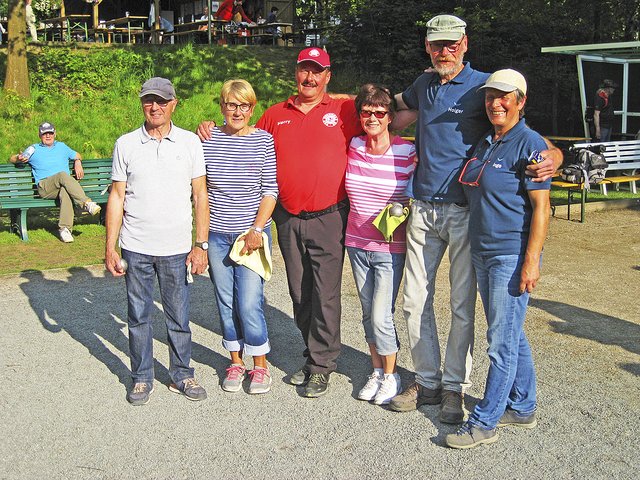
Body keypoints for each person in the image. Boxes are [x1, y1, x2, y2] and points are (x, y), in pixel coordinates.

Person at [388, 14, 563, 423]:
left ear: (465, 43)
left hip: (466, 212)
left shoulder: (486, 88)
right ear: (427, 46)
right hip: (423, 209)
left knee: (462, 305)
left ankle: (454, 386)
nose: (443, 51)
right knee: (414, 300)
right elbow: (386, 110)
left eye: (451, 44)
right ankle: (427, 380)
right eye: (435, 44)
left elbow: (525, 135)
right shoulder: (423, 84)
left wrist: (554, 155)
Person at [197, 48, 362, 398]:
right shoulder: (275, 114)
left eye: (317, 72)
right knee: (300, 292)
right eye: (304, 70)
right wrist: (209, 127)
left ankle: (321, 365)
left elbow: (385, 114)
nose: (310, 78)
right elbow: (246, 134)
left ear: (328, 76)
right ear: (296, 73)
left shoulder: (344, 109)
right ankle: (311, 352)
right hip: (287, 219)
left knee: (326, 293)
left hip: (329, 216)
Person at [446, 69, 550, 449]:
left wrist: (531, 261)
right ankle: (522, 407)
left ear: (521, 102)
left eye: (505, 96)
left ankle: (485, 420)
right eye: (491, 96)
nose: (496, 103)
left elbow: (542, 209)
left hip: (510, 254)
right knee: (509, 332)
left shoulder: (530, 144)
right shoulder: (487, 141)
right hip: (482, 251)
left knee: (500, 342)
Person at [105, 77, 209, 406]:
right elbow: (117, 196)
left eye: (162, 101)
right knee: (138, 316)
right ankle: (141, 376)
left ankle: (181, 373)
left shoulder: (190, 143)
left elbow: (200, 194)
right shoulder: (126, 144)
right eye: (149, 100)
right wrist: (110, 246)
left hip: (176, 247)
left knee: (178, 316)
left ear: (173, 104)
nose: (155, 107)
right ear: (142, 104)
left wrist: (200, 244)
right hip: (136, 246)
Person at [202, 79, 278, 395]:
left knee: (248, 301)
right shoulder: (206, 140)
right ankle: (236, 360)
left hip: (251, 235)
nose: (237, 111)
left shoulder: (264, 141)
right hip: (218, 233)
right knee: (225, 300)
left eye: (243, 105)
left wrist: (257, 230)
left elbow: (270, 190)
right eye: (231, 105)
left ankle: (260, 365)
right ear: (222, 107)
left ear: (252, 108)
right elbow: (199, 189)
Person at [345, 84, 416, 406]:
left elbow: (419, 194)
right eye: (366, 112)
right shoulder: (353, 144)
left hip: (389, 248)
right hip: (356, 243)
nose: (372, 118)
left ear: (391, 117)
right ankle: (376, 370)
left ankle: (392, 375)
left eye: (379, 112)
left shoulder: (407, 152)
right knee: (365, 313)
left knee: (380, 315)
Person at [9, 122, 102, 243]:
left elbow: (77, 154)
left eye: (50, 133)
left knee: (65, 191)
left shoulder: (62, 147)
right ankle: (86, 203)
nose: (48, 136)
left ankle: (64, 229)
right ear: (40, 135)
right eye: (45, 134)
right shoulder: (34, 149)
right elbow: (12, 159)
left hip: (60, 186)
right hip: (44, 187)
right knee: (62, 175)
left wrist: (77, 161)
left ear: (55, 133)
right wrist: (18, 158)